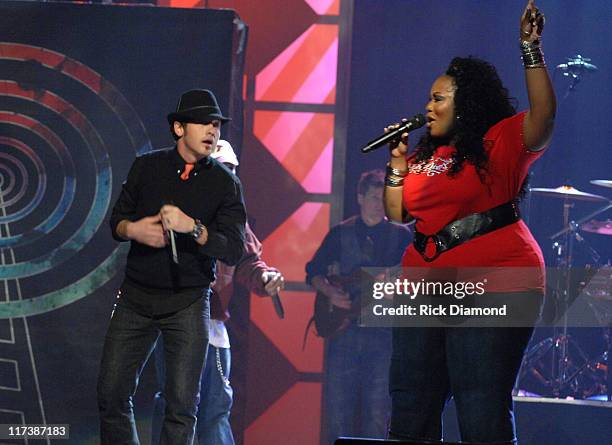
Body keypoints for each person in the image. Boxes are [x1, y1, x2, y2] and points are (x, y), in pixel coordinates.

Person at [382, 1, 555, 443]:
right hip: (422, 285)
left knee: (479, 406)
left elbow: (544, 117)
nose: (428, 106)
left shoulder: (500, 141)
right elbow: (398, 213)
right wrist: (397, 164)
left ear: (466, 103)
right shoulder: (423, 156)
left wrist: (530, 50)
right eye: (428, 98)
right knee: (410, 405)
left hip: (496, 279)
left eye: (438, 98)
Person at [97, 89, 246, 445]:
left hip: (188, 303)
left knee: (182, 407)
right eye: (203, 124)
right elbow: (117, 220)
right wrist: (134, 229)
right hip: (136, 298)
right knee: (112, 394)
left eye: (216, 125)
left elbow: (235, 249)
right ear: (179, 128)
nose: (212, 131)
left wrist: (194, 228)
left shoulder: (226, 184)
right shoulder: (147, 167)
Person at [151, 140, 285, 445]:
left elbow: (248, 262)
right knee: (177, 405)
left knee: (216, 409)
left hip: (213, 327)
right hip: (178, 326)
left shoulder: (234, 222)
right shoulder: (174, 214)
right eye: (220, 171)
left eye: (231, 172)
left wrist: (266, 278)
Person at [306, 169, 411, 444]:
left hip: (383, 333)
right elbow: (313, 270)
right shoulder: (340, 233)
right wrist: (330, 292)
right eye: (375, 197)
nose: (380, 203)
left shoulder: (401, 235)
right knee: (338, 411)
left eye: (384, 198)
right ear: (360, 197)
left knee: (377, 414)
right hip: (344, 332)